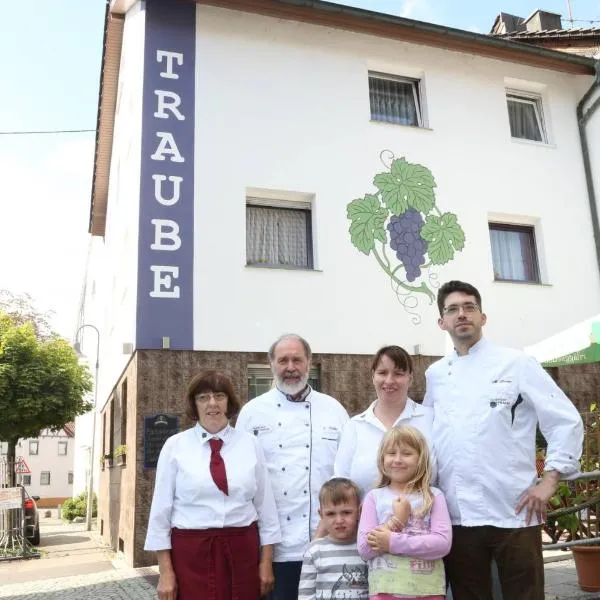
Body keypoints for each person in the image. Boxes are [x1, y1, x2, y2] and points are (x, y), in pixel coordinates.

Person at [424, 280, 584, 600]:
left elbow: (564, 420)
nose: (462, 314)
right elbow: (429, 435)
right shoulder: (436, 374)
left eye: (470, 307)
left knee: (525, 595)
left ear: (484, 317)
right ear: (442, 322)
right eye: (453, 309)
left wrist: (550, 480)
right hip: (458, 514)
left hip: (515, 510)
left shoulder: (517, 362)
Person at [144, 370, 281, 600]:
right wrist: (165, 572)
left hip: (242, 554)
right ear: (194, 405)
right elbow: (160, 514)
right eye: (203, 397)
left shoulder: (250, 444)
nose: (212, 404)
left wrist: (265, 563)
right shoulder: (175, 446)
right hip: (191, 556)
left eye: (219, 396)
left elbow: (266, 509)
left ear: (229, 402)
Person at [236, 334, 349, 600]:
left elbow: (346, 477)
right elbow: (243, 482)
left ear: (309, 362)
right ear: (271, 364)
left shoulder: (333, 410)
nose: (290, 367)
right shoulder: (252, 413)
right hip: (276, 549)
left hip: (328, 542)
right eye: (283, 360)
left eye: (297, 359)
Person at [357, 426, 452, 599]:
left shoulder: (433, 496)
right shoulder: (374, 497)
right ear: (382, 458)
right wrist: (397, 521)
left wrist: (392, 542)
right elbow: (364, 549)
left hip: (428, 592)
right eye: (391, 453)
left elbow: (442, 544)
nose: (398, 460)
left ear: (420, 459)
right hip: (384, 592)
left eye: (407, 454)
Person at [335, 345, 435, 496]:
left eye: (398, 374)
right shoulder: (355, 426)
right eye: (382, 373)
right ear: (373, 376)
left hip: (424, 516)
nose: (389, 380)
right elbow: (341, 480)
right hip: (367, 519)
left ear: (411, 379)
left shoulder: (430, 419)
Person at [298, 478, 368, 600]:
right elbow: (306, 594)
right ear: (321, 515)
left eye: (346, 512)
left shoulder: (367, 547)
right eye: (331, 514)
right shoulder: (314, 550)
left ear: (359, 512)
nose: (339, 520)